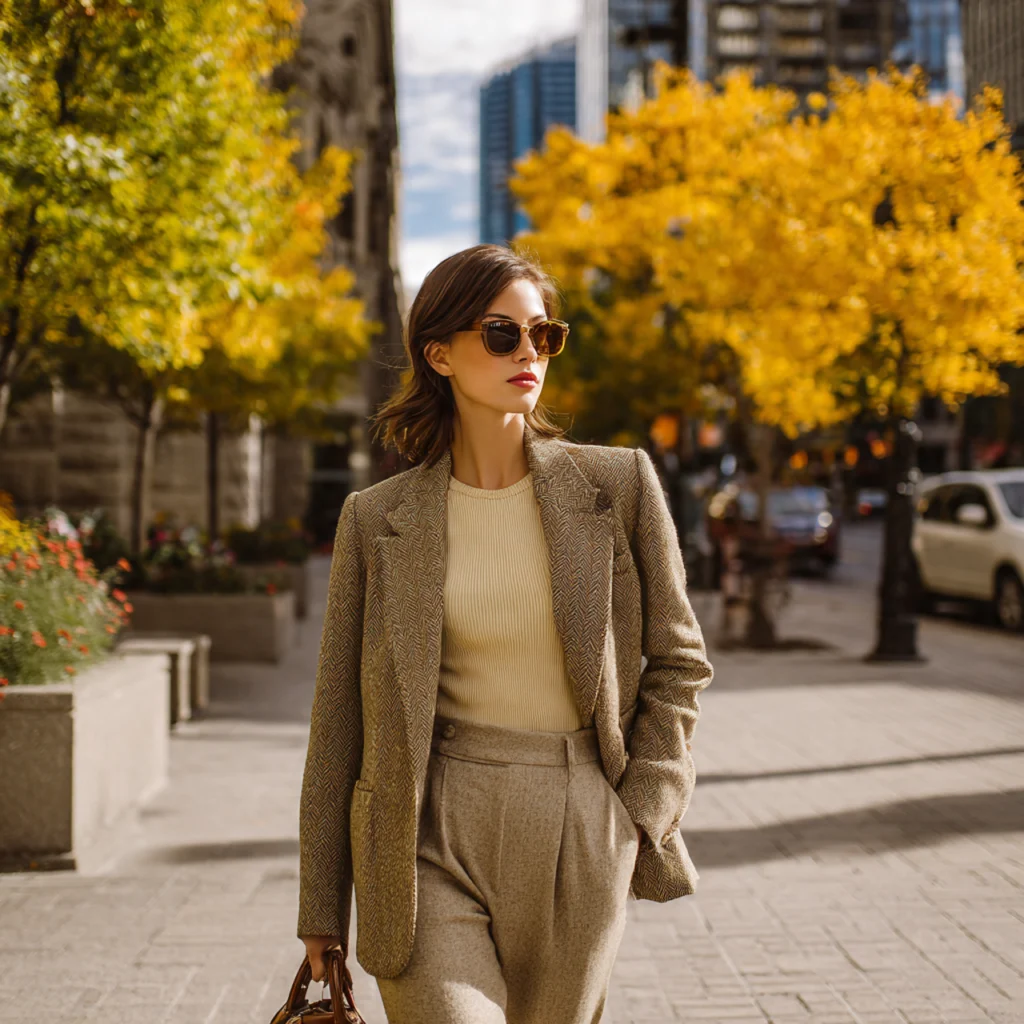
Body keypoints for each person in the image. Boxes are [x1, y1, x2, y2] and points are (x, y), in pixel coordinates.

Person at [297, 244, 713, 1024]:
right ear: (440, 354)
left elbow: (680, 662)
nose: (528, 352)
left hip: (580, 823)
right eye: (501, 334)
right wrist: (322, 904)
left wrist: (641, 810)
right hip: (423, 828)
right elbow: (337, 720)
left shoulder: (618, 484)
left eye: (543, 335)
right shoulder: (376, 518)